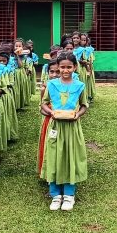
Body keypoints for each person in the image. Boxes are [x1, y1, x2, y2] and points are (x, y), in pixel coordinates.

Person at [40, 52, 89, 211]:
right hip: (55, 126)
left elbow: (83, 106)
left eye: (69, 67)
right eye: (62, 67)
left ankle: (69, 194)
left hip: (72, 128)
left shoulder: (80, 85)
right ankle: (55, 194)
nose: (65, 70)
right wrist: (51, 112)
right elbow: (44, 104)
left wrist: (77, 114)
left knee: (70, 156)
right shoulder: (51, 84)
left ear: (75, 67)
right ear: (57, 68)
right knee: (54, 156)